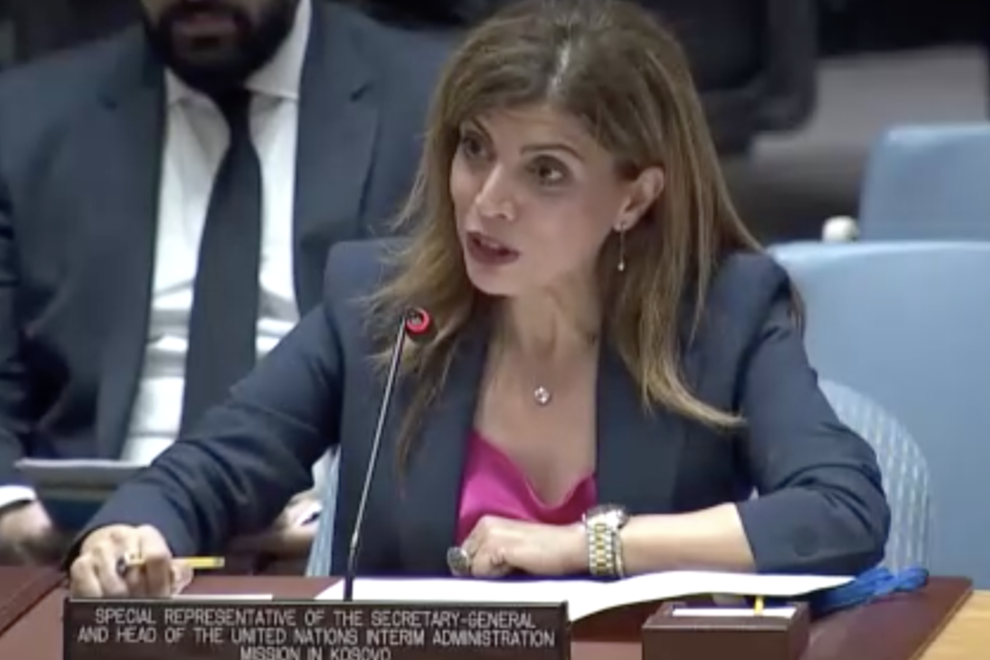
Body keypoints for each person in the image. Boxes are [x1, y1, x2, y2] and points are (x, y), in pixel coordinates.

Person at [68, 0, 890, 597]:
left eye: (546, 172)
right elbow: (209, 470)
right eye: (474, 149)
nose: (488, 202)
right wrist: (130, 534)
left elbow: (841, 511)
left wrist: (587, 547)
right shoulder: (382, 306)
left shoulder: (722, 314)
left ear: (634, 198)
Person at [0, 0, 449, 564]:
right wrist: (14, 518)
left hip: (333, 559)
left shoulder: (436, 105)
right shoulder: (24, 122)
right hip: (84, 555)